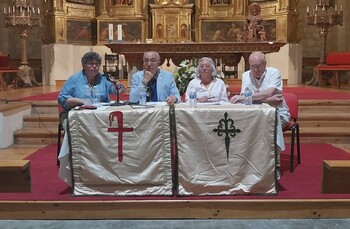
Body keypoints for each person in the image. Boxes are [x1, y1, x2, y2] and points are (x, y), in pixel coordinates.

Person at [230, 51, 290, 178]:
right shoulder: (246, 75)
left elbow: (273, 96)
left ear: (265, 64)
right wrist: (265, 97)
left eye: (259, 66)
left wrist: (249, 97)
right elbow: (268, 97)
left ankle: (275, 164)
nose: (256, 69)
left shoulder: (274, 72)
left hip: (279, 112)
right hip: (255, 113)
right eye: (253, 66)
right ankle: (248, 163)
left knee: (273, 121)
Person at [57, 51, 124, 125]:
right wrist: (79, 101)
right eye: (91, 64)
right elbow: (62, 98)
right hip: (78, 115)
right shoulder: (74, 79)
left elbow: (116, 91)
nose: (95, 66)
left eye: (97, 64)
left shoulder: (103, 78)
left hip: (100, 115)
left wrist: (117, 86)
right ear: (84, 65)